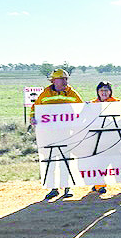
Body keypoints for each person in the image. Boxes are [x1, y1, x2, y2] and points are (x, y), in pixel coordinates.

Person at [31, 68, 83, 201]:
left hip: (66, 134)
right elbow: (35, 108)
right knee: (51, 161)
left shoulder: (72, 93)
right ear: (54, 80)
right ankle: (53, 188)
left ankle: (67, 187)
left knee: (66, 161)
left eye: (66, 79)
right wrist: (33, 118)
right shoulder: (45, 94)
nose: (65, 81)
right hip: (49, 135)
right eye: (62, 79)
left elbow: (82, 108)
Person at [89, 81, 120, 195]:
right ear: (97, 91)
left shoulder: (117, 103)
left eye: (106, 90)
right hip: (98, 138)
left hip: (114, 138)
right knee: (98, 161)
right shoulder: (92, 104)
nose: (104, 92)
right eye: (101, 90)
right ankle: (99, 185)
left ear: (110, 92)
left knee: (116, 162)